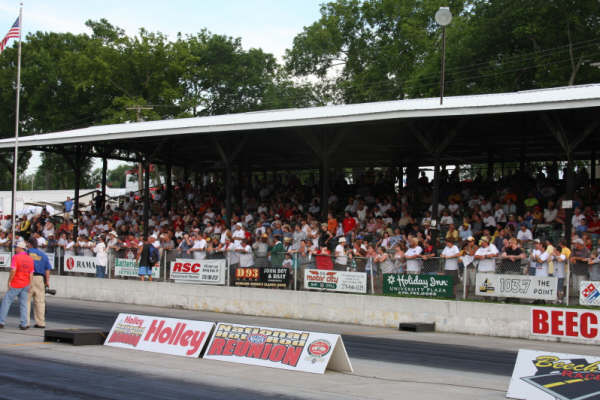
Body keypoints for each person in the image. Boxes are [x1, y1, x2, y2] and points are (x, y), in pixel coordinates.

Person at [0, 239, 34, 329]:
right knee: (24, 304)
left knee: (6, 302)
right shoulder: (30, 259)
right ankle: (24, 324)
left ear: (20, 248)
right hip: (26, 283)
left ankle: (1, 321)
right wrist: (30, 284)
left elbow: (13, 270)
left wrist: (9, 281)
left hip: (16, 283)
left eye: (16, 247)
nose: (15, 249)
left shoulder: (16, 257)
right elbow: (31, 273)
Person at [26, 237, 52, 328]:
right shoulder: (43, 255)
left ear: (29, 244)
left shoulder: (27, 253)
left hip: (28, 277)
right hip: (40, 278)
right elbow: (47, 269)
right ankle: (41, 322)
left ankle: (26, 322)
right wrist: (47, 281)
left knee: (26, 300)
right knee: (40, 301)